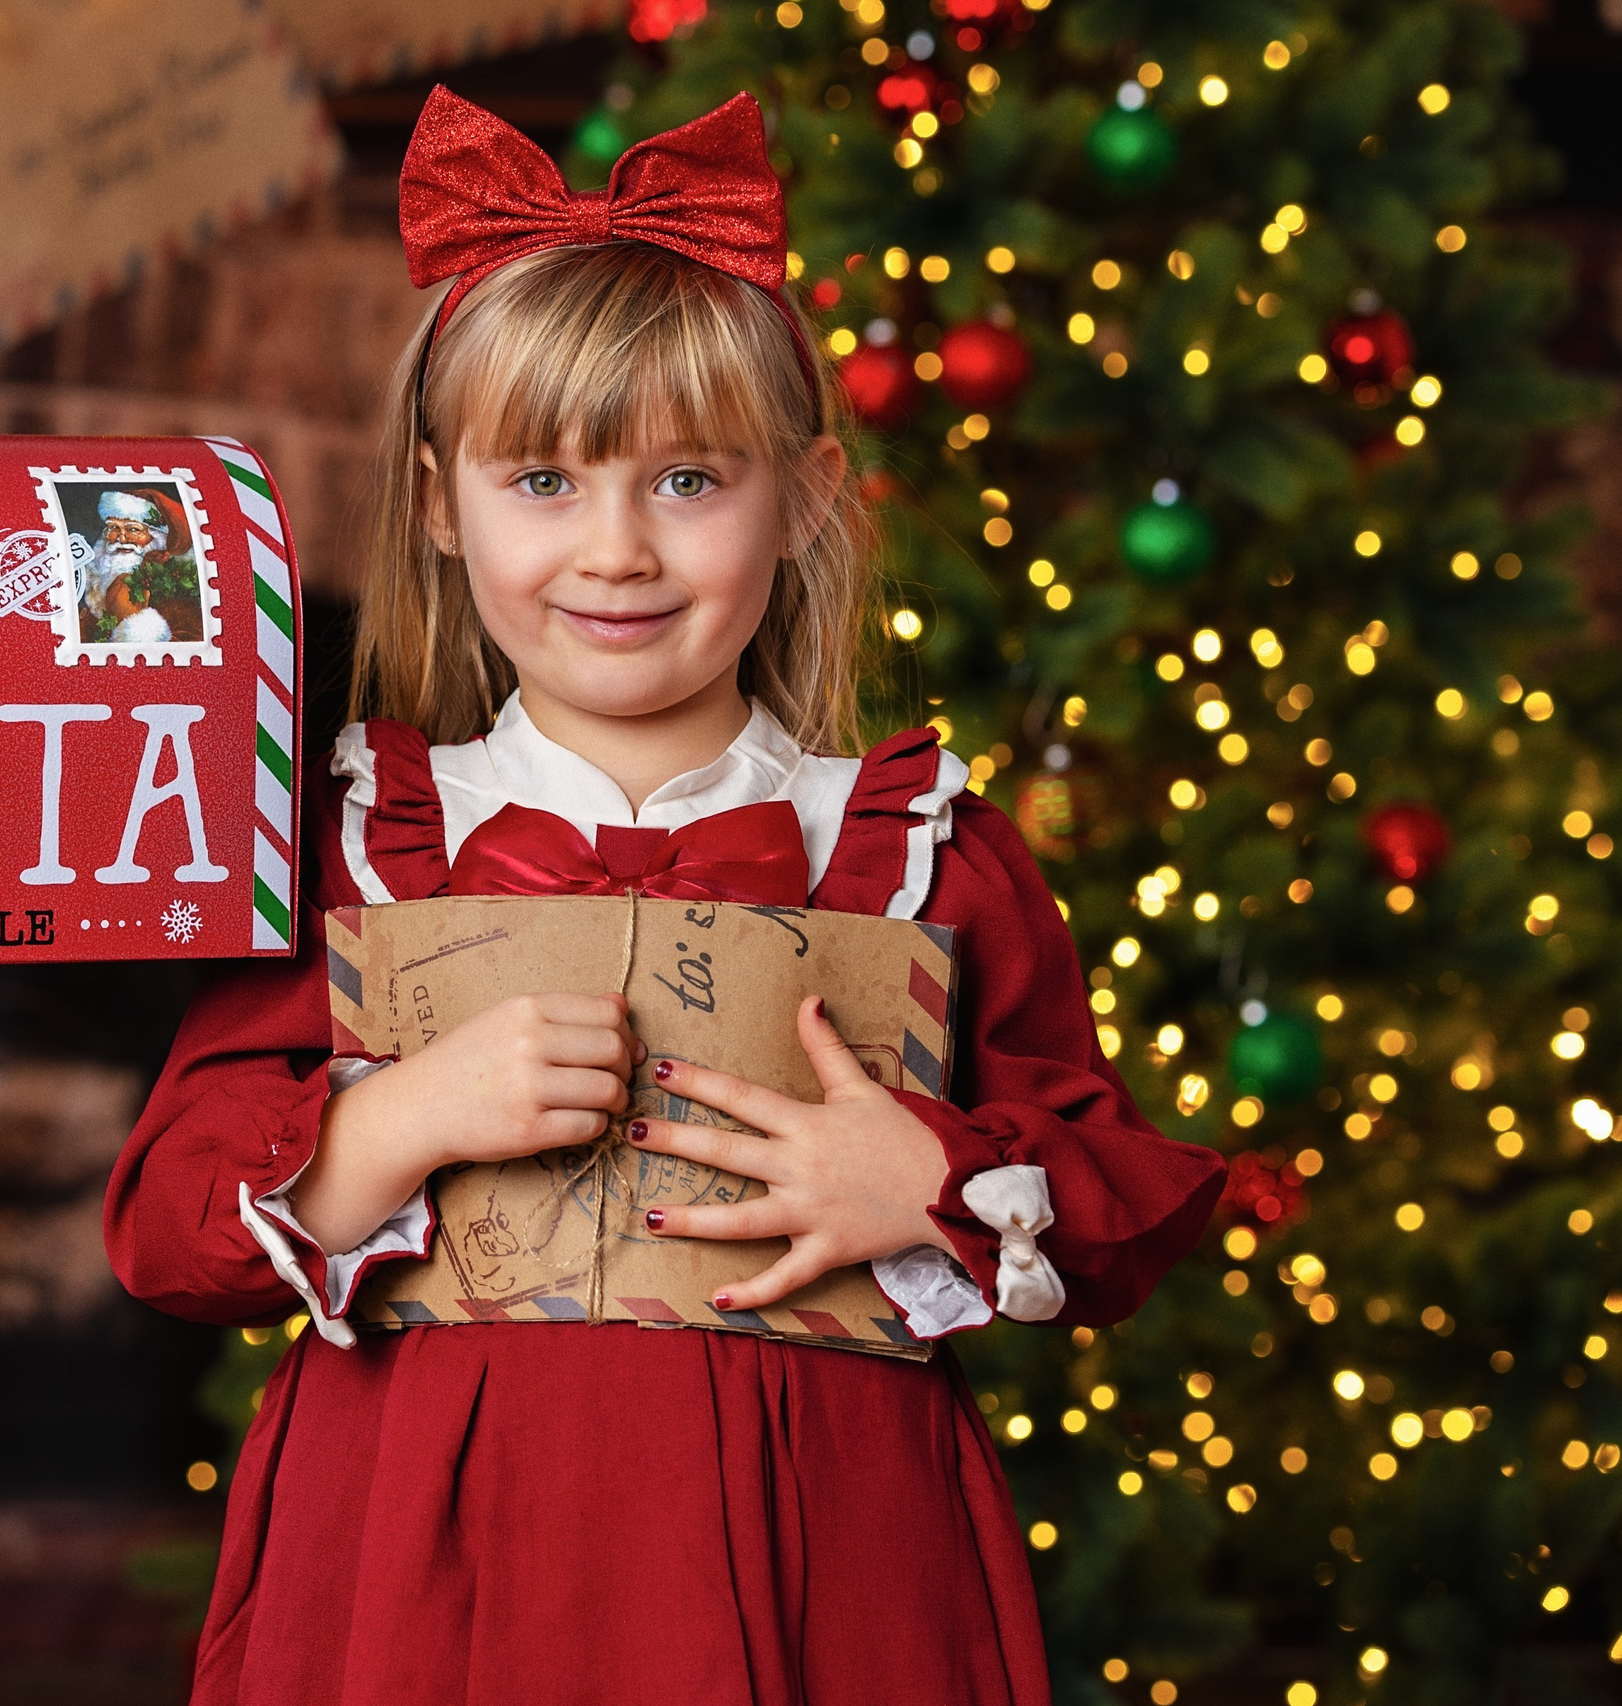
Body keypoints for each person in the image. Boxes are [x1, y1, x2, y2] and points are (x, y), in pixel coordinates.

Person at [104, 87, 1225, 1706]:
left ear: (809, 494)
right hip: (424, 1554)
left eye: (689, 481)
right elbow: (166, 1229)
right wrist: (404, 1115)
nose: (616, 548)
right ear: (437, 502)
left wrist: (921, 1177)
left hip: (828, 1546)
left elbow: (1119, 1198)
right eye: (543, 482)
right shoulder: (360, 847)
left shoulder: (919, 853)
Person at [80, 486, 193, 643]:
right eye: (113, 528)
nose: (122, 539)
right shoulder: (98, 585)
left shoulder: (178, 590)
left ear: (157, 536)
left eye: (133, 529)